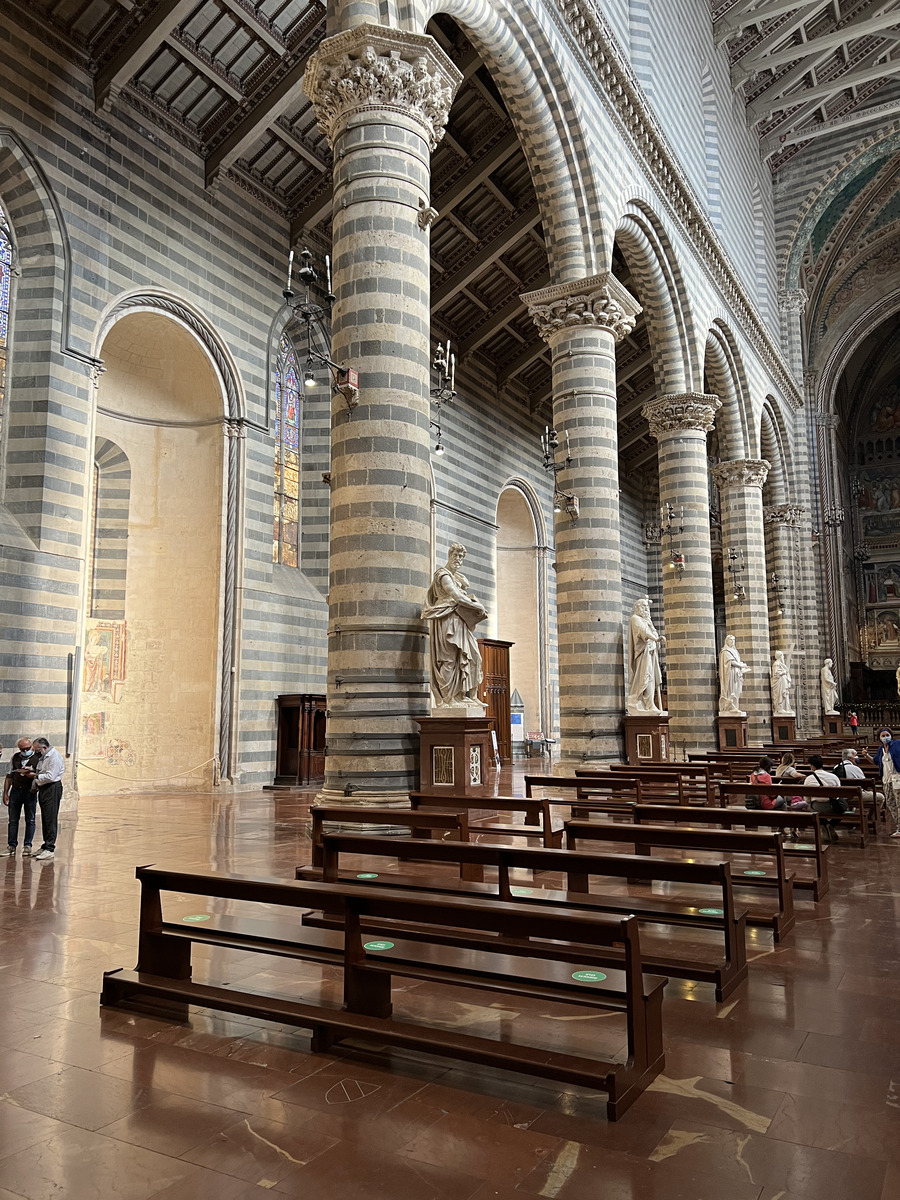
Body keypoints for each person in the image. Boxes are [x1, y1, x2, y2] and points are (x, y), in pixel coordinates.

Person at [422, 544, 488, 707]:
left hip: (460, 620)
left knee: (473, 657)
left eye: (461, 557)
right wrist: (477, 606)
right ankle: (448, 699)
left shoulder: (457, 577)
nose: (458, 560)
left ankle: (465, 695)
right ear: (449, 555)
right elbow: (456, 596)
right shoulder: (443, 575)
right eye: (456, 555)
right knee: (449, 660)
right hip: (447, 618)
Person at [626, 597, 665, 714]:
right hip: (643, 655)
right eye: (644, 606)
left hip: (651, 653)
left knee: (652, 679)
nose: (647, 609)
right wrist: (656, 639)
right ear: (639, 608)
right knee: (646, 678)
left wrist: (652, 627)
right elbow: (644, 632)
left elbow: (652, 631)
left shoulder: (647, 621)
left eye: (647, 607)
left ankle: (650, 704)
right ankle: (645, 703)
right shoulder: (635, 619)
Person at [28, 737, 65, 861]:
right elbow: (42, 770)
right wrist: (32, 771)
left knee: (51, 817)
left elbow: (50, 776)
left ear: (44, 748)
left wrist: (35, 776)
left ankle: (50, 848)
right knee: (45, 817)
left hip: (52, 788)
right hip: (43, 788)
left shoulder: (54, 757)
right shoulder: (43, 757)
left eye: (37, 750)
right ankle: (45, 845)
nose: (36, 752)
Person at [1, 738, 39, 857]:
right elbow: (9, 776)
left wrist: (31, 774)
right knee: (13, 820)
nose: (25, 751)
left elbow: (42, 775)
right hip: (16, 791)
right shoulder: (15, 757)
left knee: (30, 819)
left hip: (30, 791)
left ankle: (28, 845)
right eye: (22, 749)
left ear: (32, 746)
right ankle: (11, 845)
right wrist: (5, 792)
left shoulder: (38, 758)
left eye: (27, 748)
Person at [804, 753, 844, 842]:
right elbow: (839, 793)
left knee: (811, 808)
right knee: (843, 808)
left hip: (817, 806)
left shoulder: (809, 779)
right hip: (834, 806)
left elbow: (807, 799)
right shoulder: (834, 777)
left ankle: (824, 825)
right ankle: (831, 825)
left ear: (812, 766)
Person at [874, 728, 900, 838]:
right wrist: (866, 756)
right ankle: (898, 825)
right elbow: (876, 762)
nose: (885, 737)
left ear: (891, 735)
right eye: (883, 736)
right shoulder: (881, 749)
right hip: (886, 780)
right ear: (879, 738)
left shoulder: (897, 744)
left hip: (898, 778)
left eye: (887, 735)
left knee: (899, 804)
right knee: (891, 804)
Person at [718, 635, 750, 714]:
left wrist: (742, 668)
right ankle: (730, 707)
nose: (732, 642)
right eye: (730, 640)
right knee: (731, 691)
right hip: (730, 674)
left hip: (736, 674)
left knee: (736, 691)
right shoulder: (726, 651)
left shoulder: (735, 651)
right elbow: (730, 662)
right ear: (727, 641)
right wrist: (741, 665)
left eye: (733, 640)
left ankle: (735, 706)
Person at [770, 650, 794, 715]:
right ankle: (780, 708)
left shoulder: (781, 664)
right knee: (780, 695)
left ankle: (786, 708)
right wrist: (784, 672)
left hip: (783, 682)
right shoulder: (776, 664)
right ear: (780, 656)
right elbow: (776, 675)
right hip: (779, 683)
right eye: (782, 655)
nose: (783, 657)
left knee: (785, 695)